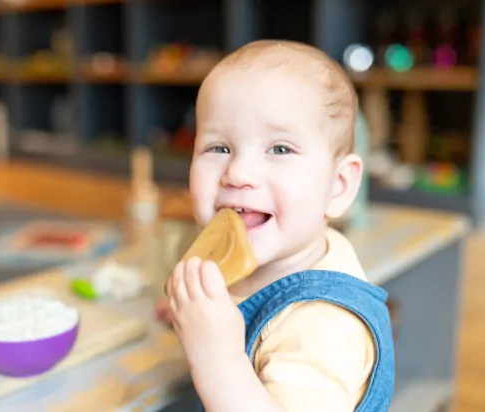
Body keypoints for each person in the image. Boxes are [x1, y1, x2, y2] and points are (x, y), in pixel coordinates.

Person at [159, 40, 395, 411]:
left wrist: (216, 357)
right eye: (218, 148)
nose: (237, 173)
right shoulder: (288, 248)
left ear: (338, 186)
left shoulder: (324, 328)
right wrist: (202, 306)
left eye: (280, 149)